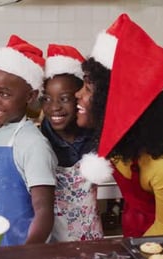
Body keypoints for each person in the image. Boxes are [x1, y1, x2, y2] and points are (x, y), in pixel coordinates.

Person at [76, 14, 163, 237]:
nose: (78, 94)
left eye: (87, 88)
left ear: (115, 102)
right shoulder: (119, 131)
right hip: (143, 212)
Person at [0, 35, 57, 246]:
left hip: (15, 251)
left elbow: (44, 212)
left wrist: (27, 253)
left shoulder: (32, 144)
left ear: (30, 96)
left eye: (4, 94)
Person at [40, 43, 103, 241]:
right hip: (51, 238)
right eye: (47, 99)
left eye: (64, 98)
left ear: (80, 97)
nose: (54, 108)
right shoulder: (40, 140)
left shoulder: (96, 134)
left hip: (90, 235)